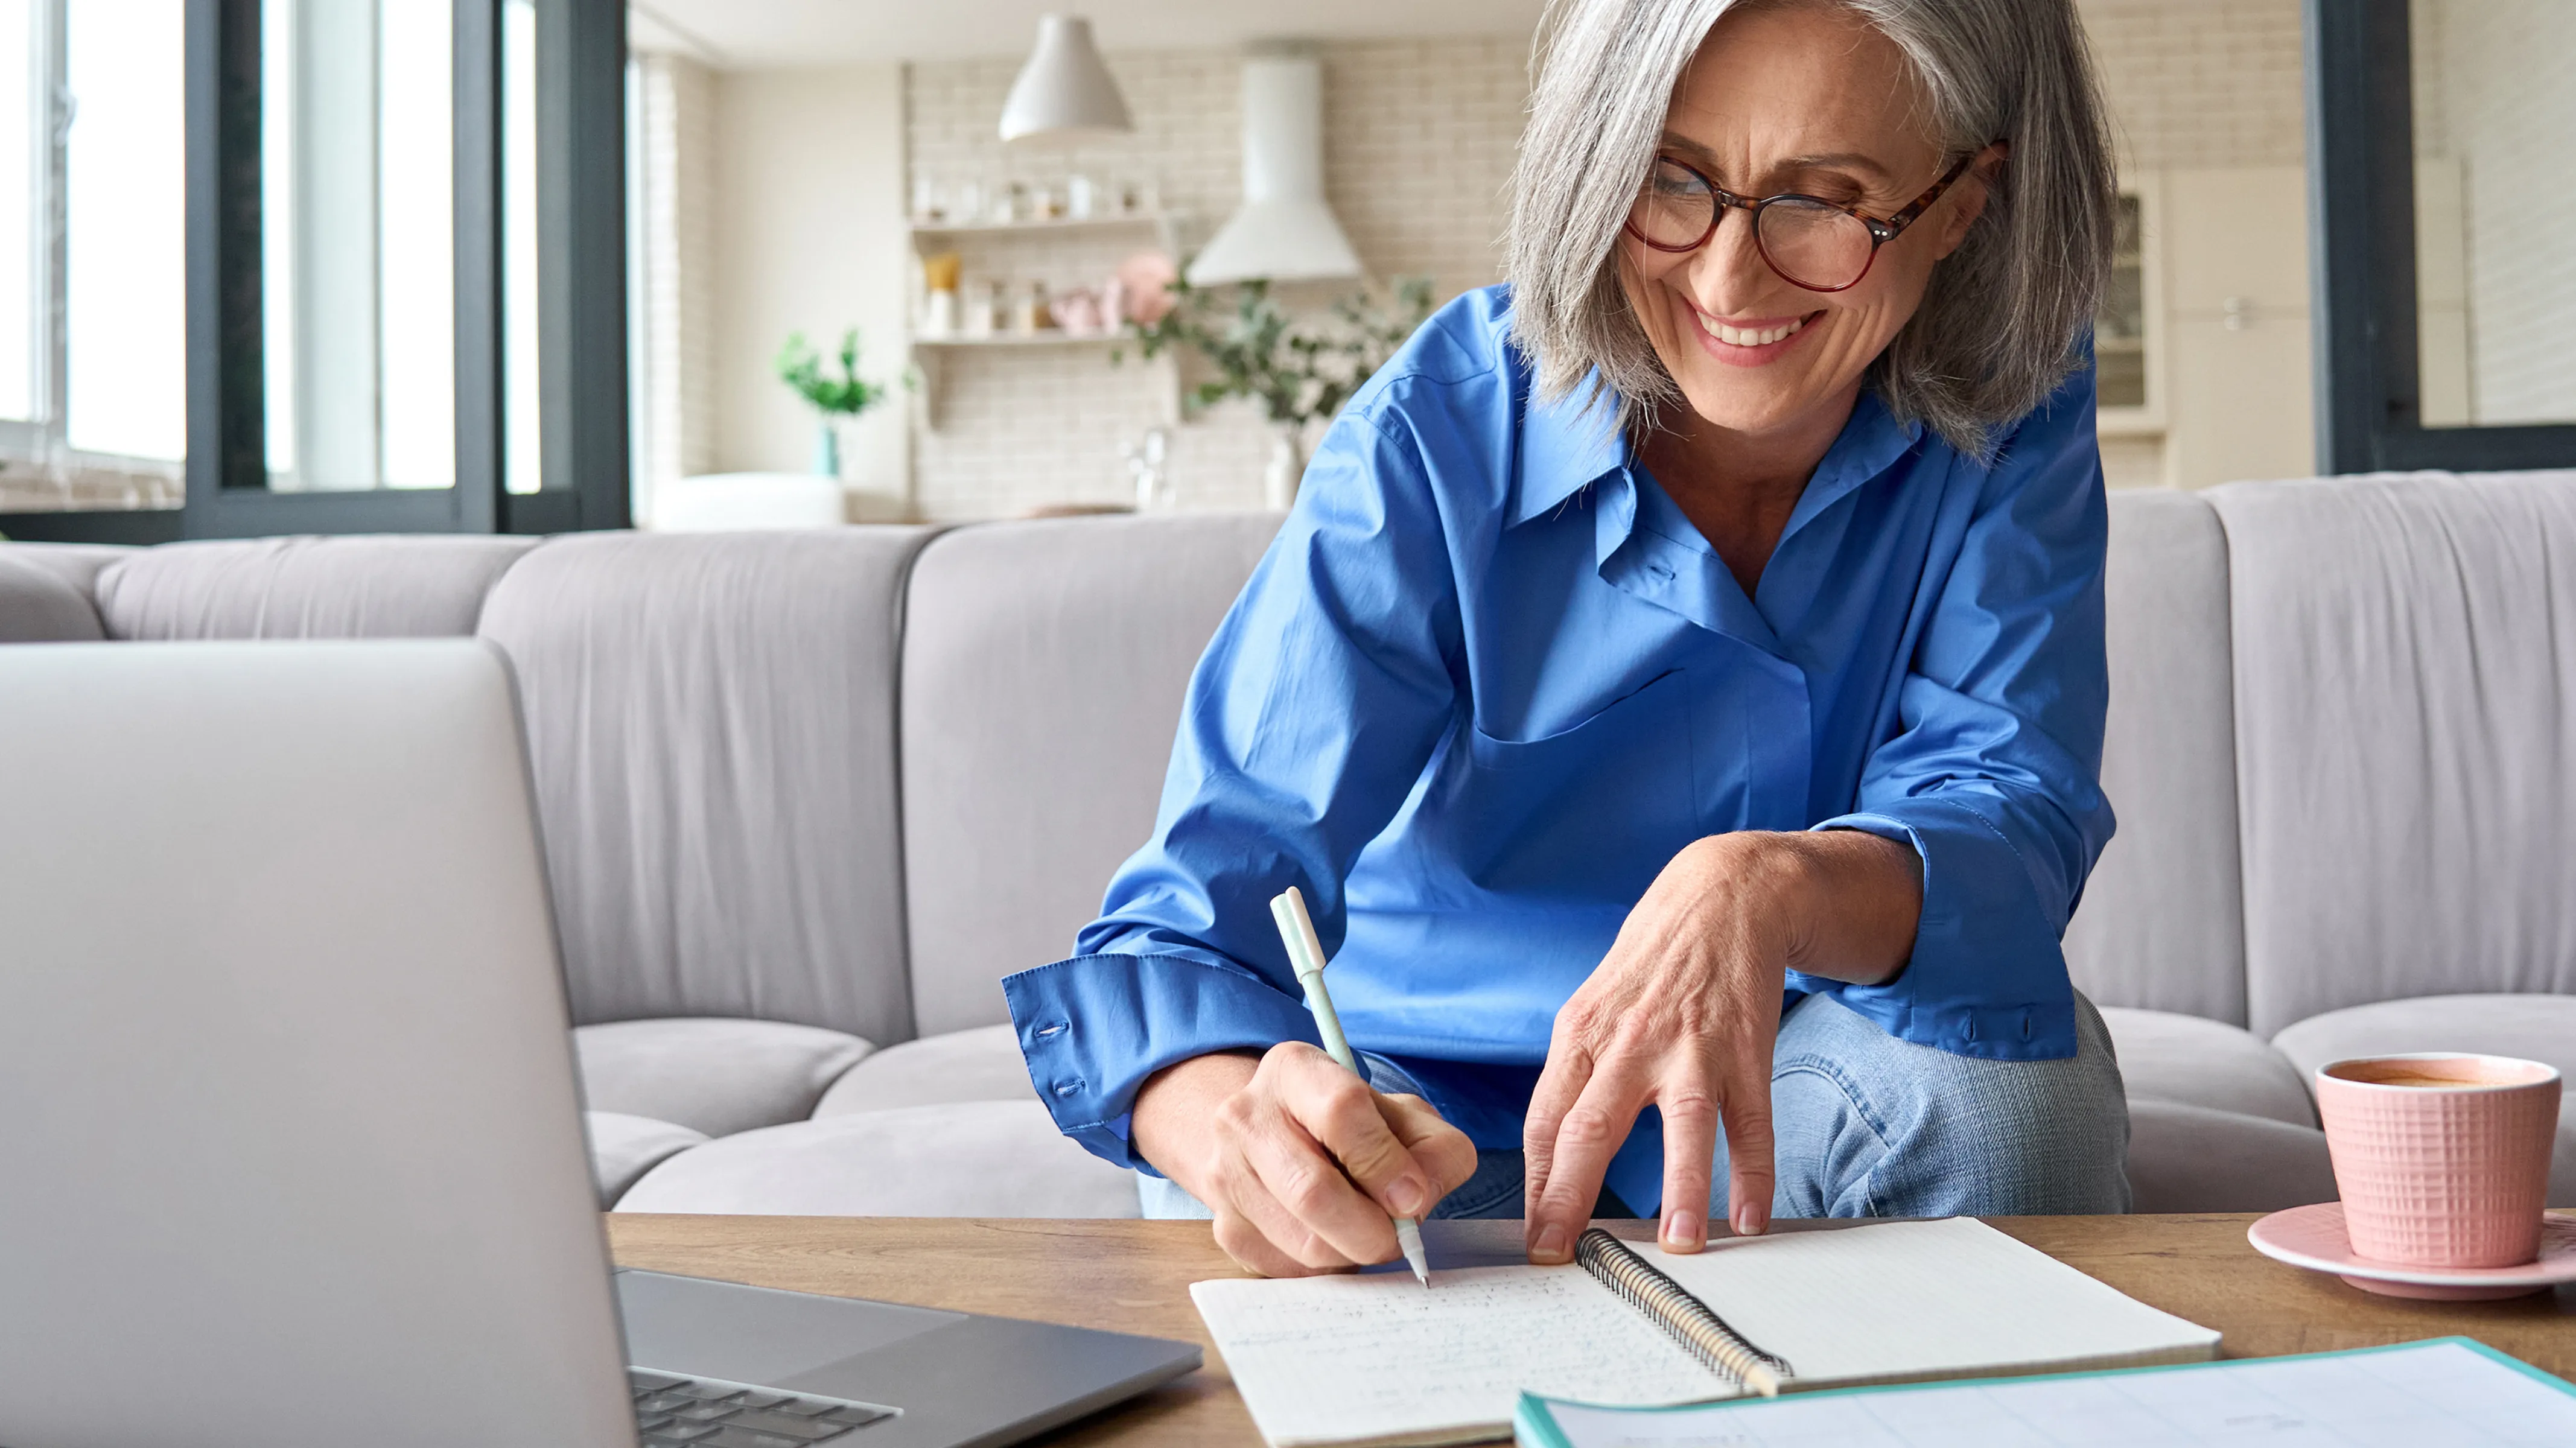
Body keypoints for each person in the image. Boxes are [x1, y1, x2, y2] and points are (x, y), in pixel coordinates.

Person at [1007, 0, 2130, 1278]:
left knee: (2009, 1097)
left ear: (1960, 206)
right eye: (1671, 181)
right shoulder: (1438, 428)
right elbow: (1187, 926)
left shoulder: (2013, 396)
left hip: (1794, 1081)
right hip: (1430, 1118)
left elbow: (2005, 808)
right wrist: (1224, 1122)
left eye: (1823, 200)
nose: (1725, 280)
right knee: (1273, 1189)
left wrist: (1765, 887)